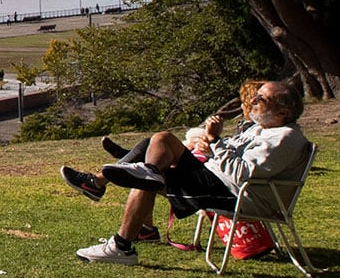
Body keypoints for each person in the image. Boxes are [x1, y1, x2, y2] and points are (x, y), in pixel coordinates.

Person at [67, 79, 310, 265]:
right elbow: (234, 157)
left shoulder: (284, 138)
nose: (254, 101)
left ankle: (121, 244)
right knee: (161, 141)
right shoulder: (260, 129)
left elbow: (242, 172)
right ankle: (138, 179)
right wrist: (209, 145)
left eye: (262, 99)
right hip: (215, 178)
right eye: (256, 96)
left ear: (282, 112)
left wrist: (215, 142)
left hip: (235, 194)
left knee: (145, 178)